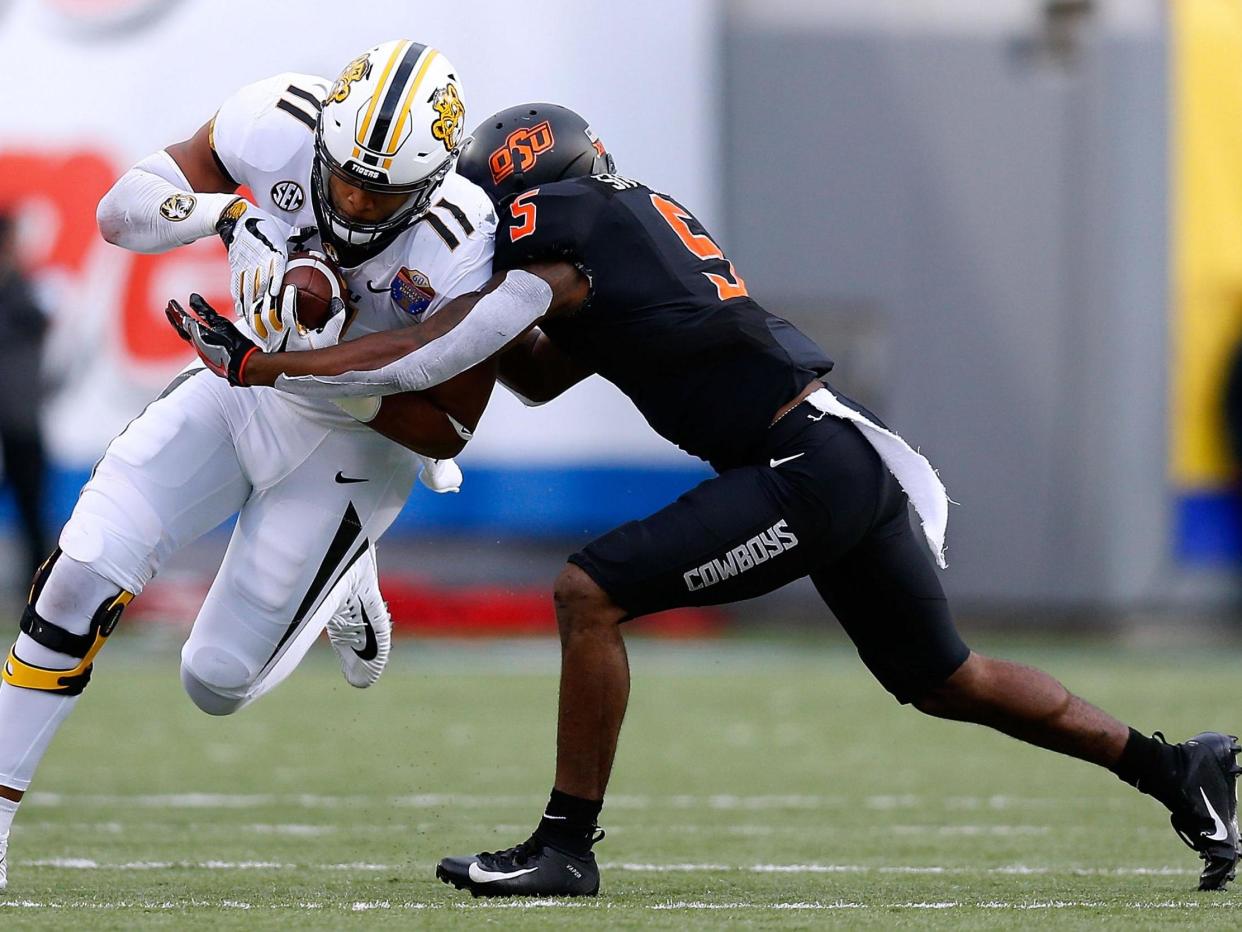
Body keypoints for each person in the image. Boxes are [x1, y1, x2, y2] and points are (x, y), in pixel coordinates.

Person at [169, 104, 1241, 897]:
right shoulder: (623, 229)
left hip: (803, 464)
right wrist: (427, 343)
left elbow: (449, 343)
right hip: (836, 449)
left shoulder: (568, 223)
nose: (483, 233)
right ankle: (1172, 766)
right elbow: (533, 369)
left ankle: (564, 843)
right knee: (945, 676)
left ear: (532, 192)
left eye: (493, 214)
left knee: (589, 592)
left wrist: (274, 365)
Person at [0, 40, 498, 891]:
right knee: (80, 573)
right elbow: (121, 214)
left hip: (356, 444)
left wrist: (317, 359)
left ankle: (347, 576)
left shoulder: (464, 236)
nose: (351, 201)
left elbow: (449, 426)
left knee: (213, 681)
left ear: (432, 180)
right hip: (237, 385)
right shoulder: (281, 117)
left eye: (380, 192)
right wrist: (229, 219)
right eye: (343, 176)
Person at [0, 214, 50, 581]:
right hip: (17, 414)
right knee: (31, 502)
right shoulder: (17, 289)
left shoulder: (20, 288)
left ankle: (36, 580)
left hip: (18, 415)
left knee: (31, 503)